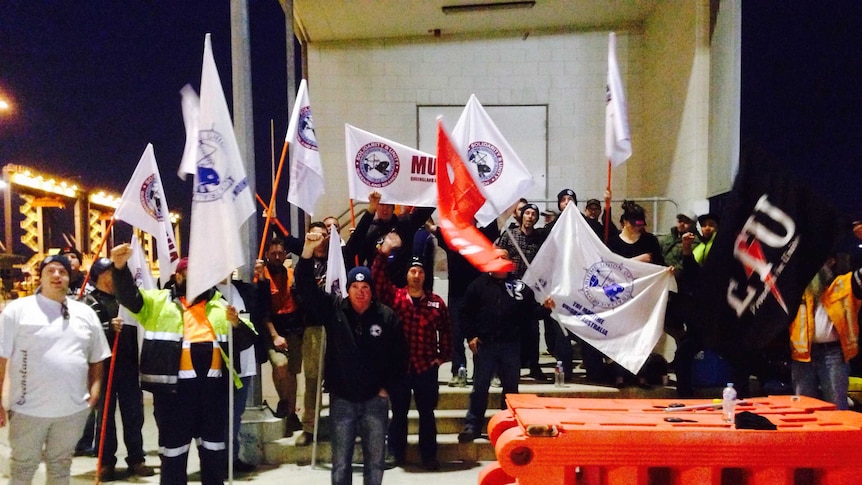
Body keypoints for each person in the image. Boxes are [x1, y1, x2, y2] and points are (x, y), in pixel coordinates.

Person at [110, 248, 257, 485]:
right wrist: (119, 269)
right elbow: (129, 297)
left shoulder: (221, 305)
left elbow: (248, 341)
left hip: (212, 395)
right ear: (178, 277)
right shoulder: (158, 301)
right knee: (174, 454)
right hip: (173, 395)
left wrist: (238, 325)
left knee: (214, 452)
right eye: (193, 274)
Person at [295, 231, 407, 485]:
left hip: (375, 402)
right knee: (341, 463)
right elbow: (305, 289)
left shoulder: (386, 316)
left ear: (371, 290)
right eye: (355, 287)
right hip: (343, 399)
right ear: (348, 289)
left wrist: (386, 388)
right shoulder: (334, 311)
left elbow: (399, 357)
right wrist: (306, 253)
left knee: (375, 462)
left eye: (365, 287)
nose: (360, 292)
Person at [0, 254, 111, 484]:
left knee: (61, 467)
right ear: (40, 276)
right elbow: (2, 358)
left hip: (72, 411)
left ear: (70, 278)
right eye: (50, 270)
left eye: (62, 271)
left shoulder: (85, 313)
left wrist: (94, 394)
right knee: (22, 468)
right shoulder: (17, 311)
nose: (57, 275)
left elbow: (97, 358)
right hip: (27, 410)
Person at [373, 233, 451, 470]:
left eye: (420, 272)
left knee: (427, 414)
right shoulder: (395, 298)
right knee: (398, 414)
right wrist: (383, 252)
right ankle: (395, 454)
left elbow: (447, 331)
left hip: (426, 367)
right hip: (400, 368)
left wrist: (442, 357)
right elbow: (377, 280)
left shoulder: (436, 302)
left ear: (425, 275)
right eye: (412, 271)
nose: (417, 276)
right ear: (406, 274)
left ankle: (429, 456)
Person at [457, 253, 552, 443]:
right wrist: (471, 336)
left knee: (510, 390)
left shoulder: (520, 288)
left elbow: (531, 313)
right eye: (497, 259)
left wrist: (546, 308)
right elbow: (464, 312)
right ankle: (472, 426)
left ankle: (506, 425)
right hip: (486, 345)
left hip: (510, 346)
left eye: (504, 259)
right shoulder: (478, 285)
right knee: (479, 387)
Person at [79, 258, 153, 481]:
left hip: (128, 366)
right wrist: (107, 328)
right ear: (102, 275)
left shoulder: (127, 300)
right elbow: (83, 334)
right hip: (103, 368)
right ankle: (106, 462)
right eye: (113, 273)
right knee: (105, 418)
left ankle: (136, 459)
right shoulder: (87, 302)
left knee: (134, 415)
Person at [606, 200, 665, 387]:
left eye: (641, 224)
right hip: (621, 297)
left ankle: (642, 374)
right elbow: (610, 266)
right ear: (624, 222)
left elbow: (659, 264)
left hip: (643, 296)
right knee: (621, 335)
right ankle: (619, 374)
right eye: (634, 224)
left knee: (641, 336)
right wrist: (639, 260)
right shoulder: (613, 240)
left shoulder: (650, 240)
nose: (639, 228)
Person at [790, 257, 861, 409]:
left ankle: (840, 434)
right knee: (802, 408)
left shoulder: (845, 285)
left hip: (833, 355)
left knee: (836, 406)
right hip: (803, 356)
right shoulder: (799, 290)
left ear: (832, 262)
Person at [256, 237, 304, 433]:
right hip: (273, 328)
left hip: (294, 328)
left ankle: (291, 413)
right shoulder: (262, 276)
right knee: (281, 365)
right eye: (273, 253)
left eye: (280, 253)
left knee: (292, 372)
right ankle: (284, 402)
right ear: (267, 255)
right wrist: (275, 335)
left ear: (285, 255)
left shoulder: (292, 273)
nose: (276, 256)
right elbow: (262, 310)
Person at [291, 221, 333, 447]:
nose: (319, 240)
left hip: (337, 327)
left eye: (323, 236)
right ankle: (309, 427)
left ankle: (341, 425)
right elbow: (299, 290)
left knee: (339, 379)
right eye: (314, 236)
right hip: (313, 327)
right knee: (313, 379)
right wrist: (316, 304)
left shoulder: (337, 260)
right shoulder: (306, 264)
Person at [495, 203, 547, 381]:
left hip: (530, 292)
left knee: (533, 330)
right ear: (521, 216)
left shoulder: (540, 238)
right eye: (527, 213)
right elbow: (497, 251)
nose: (530, 217)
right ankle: (508, 367)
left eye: (534, 214)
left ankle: (534, 365)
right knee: (511, 331)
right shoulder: (510, 235)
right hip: (511, 288)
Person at [215, 276, 261, 473]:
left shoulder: (243, 290)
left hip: (245, 362)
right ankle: (220, 460)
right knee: (222, 415)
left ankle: (232, 458)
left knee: (236, 415)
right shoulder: (209, 293)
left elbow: (260, 311)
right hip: (223, 364)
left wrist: (264, 282)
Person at [345, 191, 435, 286]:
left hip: (400, 286)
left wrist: (433, 189)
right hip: (377, 285)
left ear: (393, 207)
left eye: (388, 205)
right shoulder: (369, 229)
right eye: (381, 204)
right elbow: (351, 250)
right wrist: (370, 211)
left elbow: (425, 210)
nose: (385, 208)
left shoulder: (404, 225)